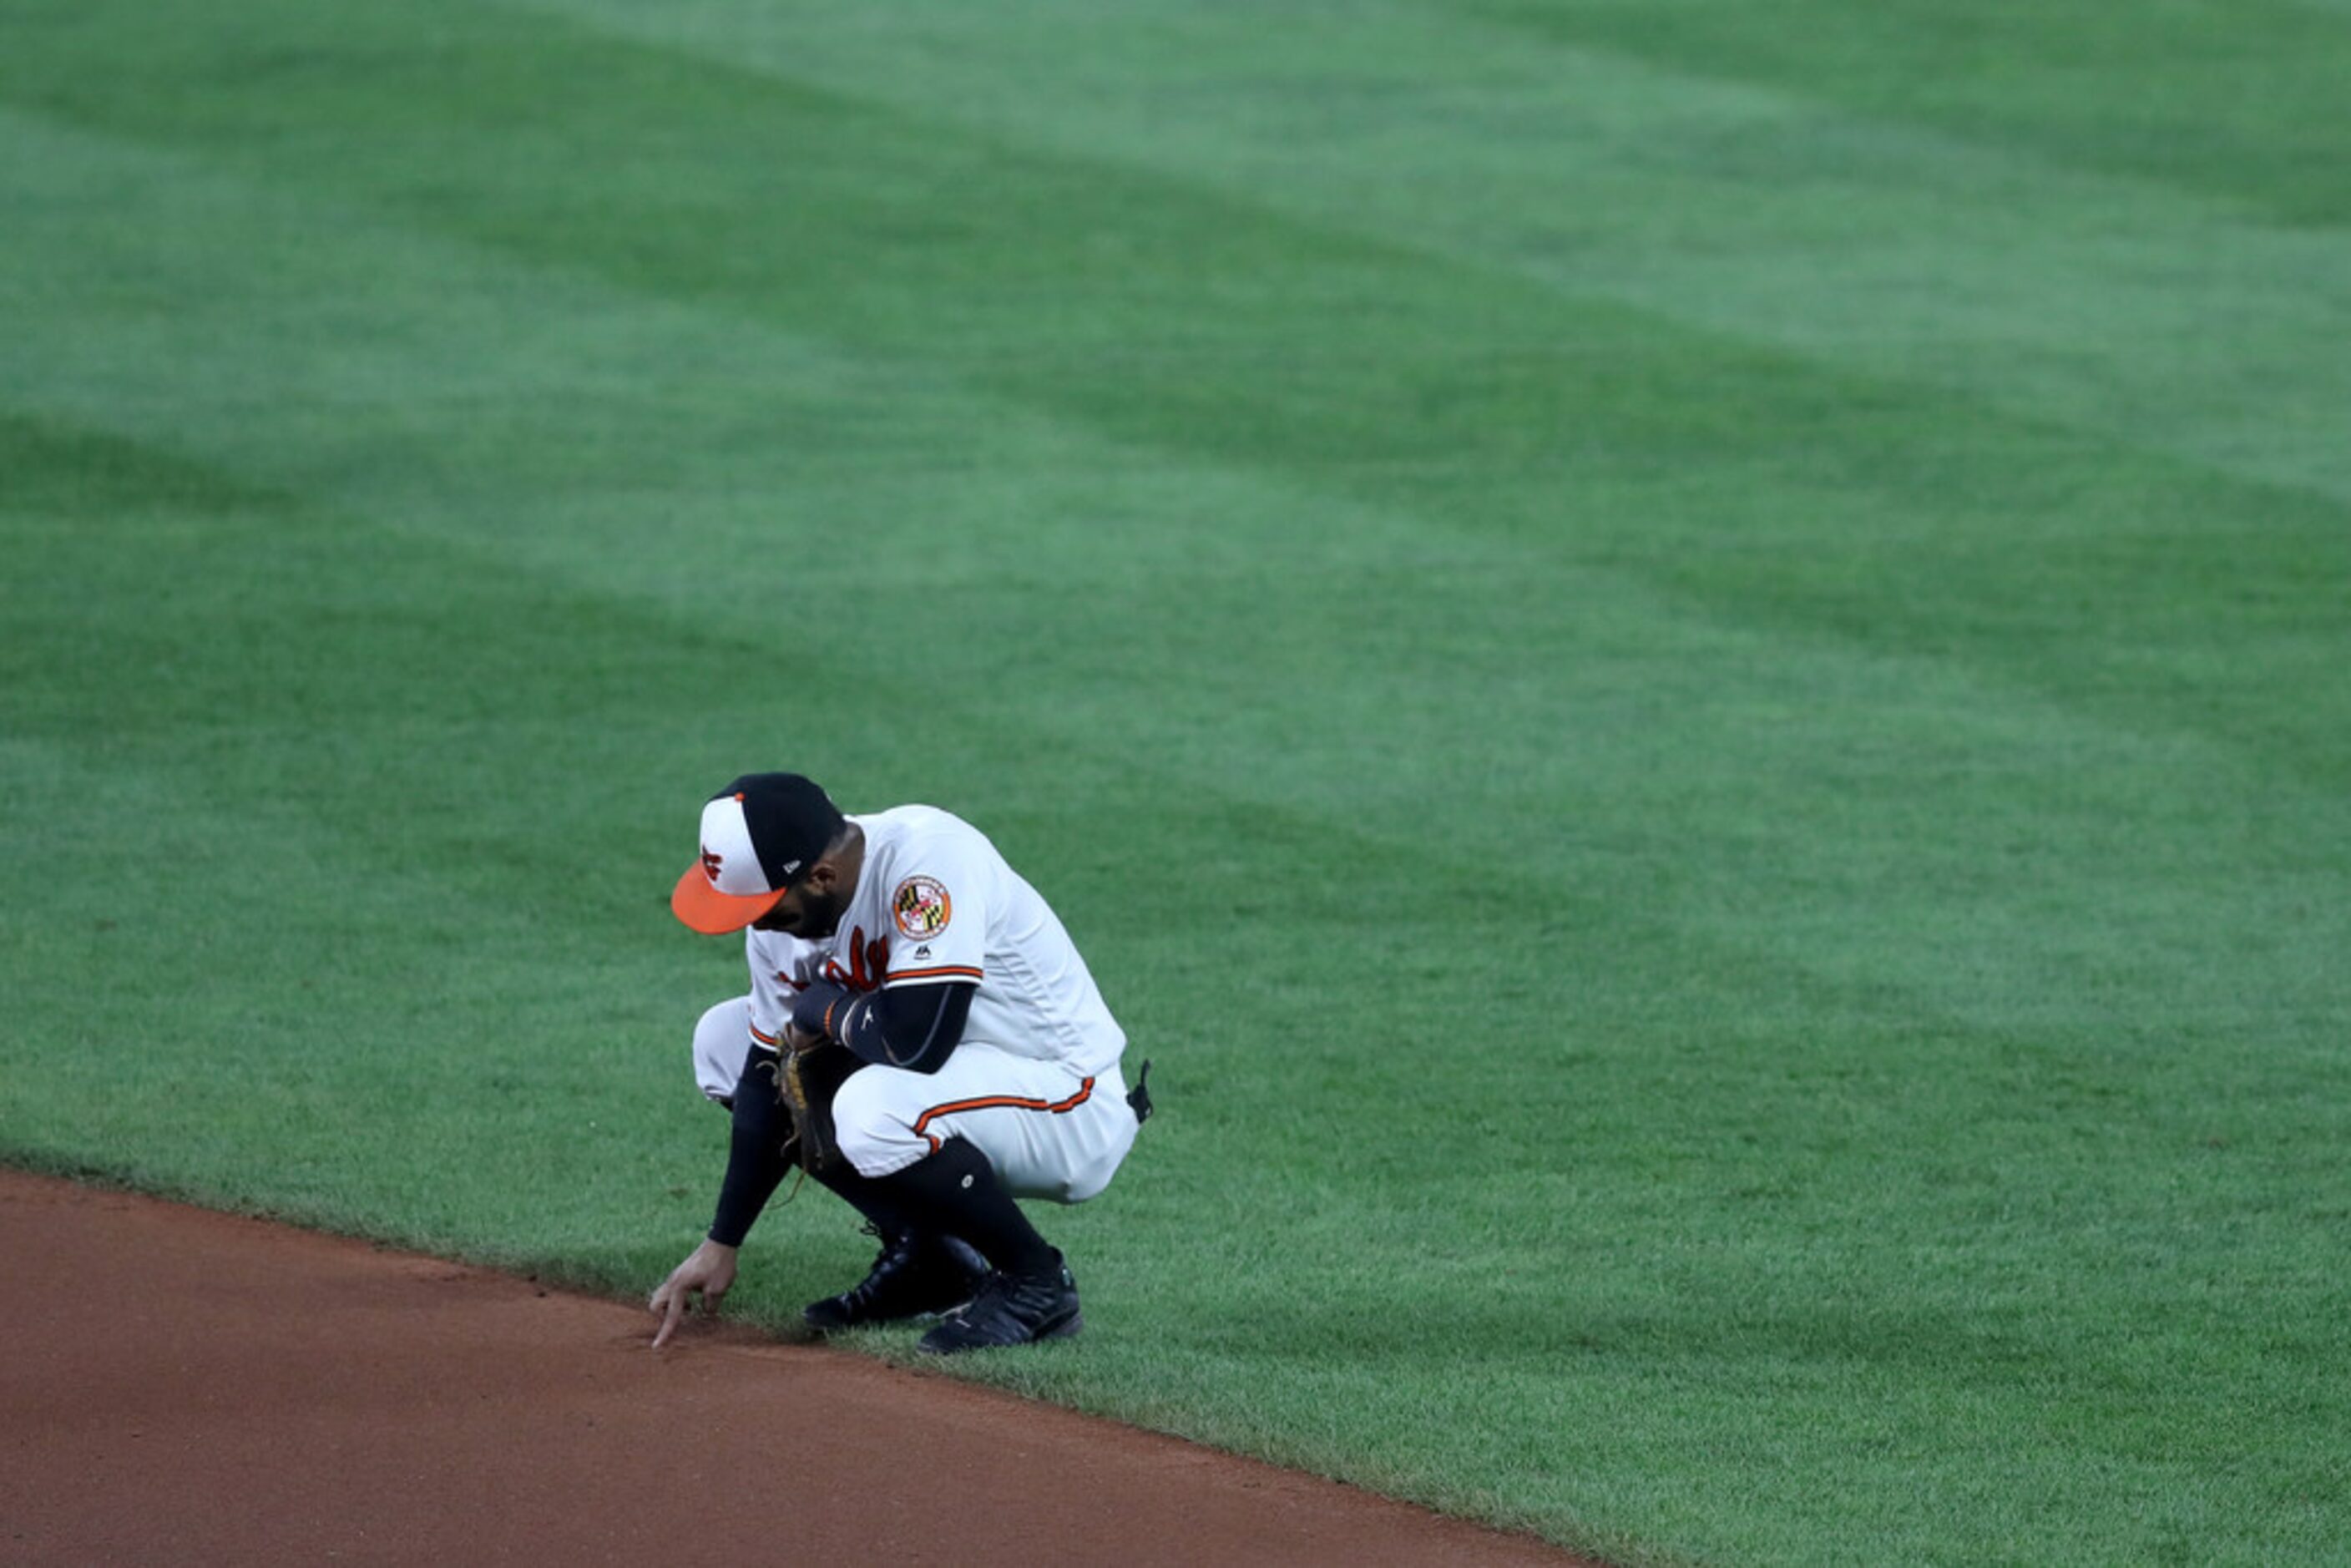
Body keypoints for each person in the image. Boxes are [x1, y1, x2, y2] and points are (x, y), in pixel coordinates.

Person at [648, 772, 1149, 1354]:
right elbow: (766, 1074)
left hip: (1066, 1100)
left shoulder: (929, 863)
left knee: (873, 1110)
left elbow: (917, 1043)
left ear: (822, 876)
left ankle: (1036, 1283)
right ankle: (932, 1258)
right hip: (960, 1087)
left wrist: (821, 1006)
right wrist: (722, 1241)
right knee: (724, 1042)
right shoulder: (789, 917)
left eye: (765, 911)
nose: (755, 926)